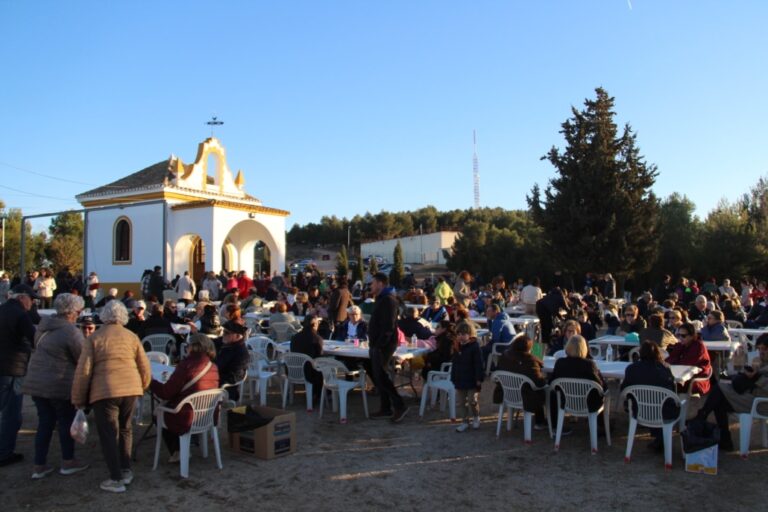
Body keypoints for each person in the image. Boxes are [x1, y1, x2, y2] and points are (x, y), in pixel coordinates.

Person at [71, 300, 151, 493]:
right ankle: (125, 469)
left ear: (104, 316)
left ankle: (115, 478)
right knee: (125, 429)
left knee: (109, 434)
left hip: (105, 390)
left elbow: (84, 371)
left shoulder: (95, 338)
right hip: (130, 389)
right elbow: (144, 366)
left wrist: (78, 399)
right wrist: (142, 386)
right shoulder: (132, 336)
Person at [21, 293, 89, 478]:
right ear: (72, 312)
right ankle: (68, 461)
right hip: (58, 384)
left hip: (37, 382)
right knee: (66, 422)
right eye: (78, 311)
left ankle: (39, 465)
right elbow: (82, 358)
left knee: (45, 423)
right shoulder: (70, 331)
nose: (79, 314)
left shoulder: (43, 328)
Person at [149, 334, 220, 462]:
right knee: (169, 406)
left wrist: (150, 381)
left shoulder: (187, 365)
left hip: (187, 416)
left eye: (187, 346)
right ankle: (183, 446)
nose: (186, 348)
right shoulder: (213, 366)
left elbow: (166, 393)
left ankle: (178, 451)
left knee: (158, 413)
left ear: (194, 347)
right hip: (207, 415)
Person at [694, 334, 768, 451]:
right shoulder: (762, 362)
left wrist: (756, 377)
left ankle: (702, 416)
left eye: (764, 349)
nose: (761, 352)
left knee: (719, 388)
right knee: (719, 402)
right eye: (759, 349)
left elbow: (761, 386)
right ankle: (725, 440)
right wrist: (749, 368)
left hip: (761, 403)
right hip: (752, 397)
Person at [0, 284, 38, 467]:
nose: (32, 304)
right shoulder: (20, 314)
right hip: (13, 368)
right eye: (31, 300)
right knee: (11, 413)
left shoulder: (2, 309)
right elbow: (34, 338)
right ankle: (4, 452)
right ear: (23, 298)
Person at [620, 341, 678, 451]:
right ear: (657, 353)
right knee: (664, 402)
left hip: (639, 410)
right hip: (663, 412)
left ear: (640, 353)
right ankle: (660, 438)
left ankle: (658, 438)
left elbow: (624, 390)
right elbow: (672, 390)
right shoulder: (664, 368)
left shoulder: (631, 369)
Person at [367, 272, 408, 422]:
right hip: (376, 343)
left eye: (372, 283)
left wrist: (379, 345)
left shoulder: (389, 301)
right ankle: (385, 408)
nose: (370, 286)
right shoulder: (382, 299)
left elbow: (389, 327)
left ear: (380, 284)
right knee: (378, 375)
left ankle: (399, 405)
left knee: (382, 377)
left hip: (384, 344)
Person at [549, 335, 606, 435]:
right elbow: (601, 387)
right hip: (588, 404)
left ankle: (555, 425)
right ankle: (602, 425)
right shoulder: (589, 364)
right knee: (601, 394)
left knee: (553, 394)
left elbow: (552, 383)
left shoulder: (560, 363)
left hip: (566, 402)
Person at [496, 334, 548, 430]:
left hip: (506, 393)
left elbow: (497, 374)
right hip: (526, 396)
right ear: (528, 349)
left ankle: (512, 424)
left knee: (532, 387)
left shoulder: (505, 356)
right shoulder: (530, 361)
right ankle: (540, 421)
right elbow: (538, 383)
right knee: (540, 389)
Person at [451, 322, 484, 432]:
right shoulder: (456, 347)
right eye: (459, 334)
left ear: (470, 334)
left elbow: (479, 363)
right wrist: (453, 377)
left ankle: (476, 417)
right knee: (461, 402)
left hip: (472, 379)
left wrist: (479, 379)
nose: (461, 336)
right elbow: (454, 363)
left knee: (472, 400)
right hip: (460, 378)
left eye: (464, 334)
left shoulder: (475, 347)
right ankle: (464, 421)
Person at [666, 322, 712, 395]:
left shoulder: (698, 346)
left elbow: (687, 364)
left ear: (692, 336)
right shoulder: (680, 345)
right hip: (682, 376)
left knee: (669, 385)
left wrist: (674, 361)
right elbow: (670, 360)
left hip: (696, 378)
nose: (680, 338)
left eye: (683, 336)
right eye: (678, 335)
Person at [289, 315, 324, 405]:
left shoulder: (295, 337)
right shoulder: (316, 338)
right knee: (323, 367)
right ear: (315, 325)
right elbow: (319, 357)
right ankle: (319, 394)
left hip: (293, 370)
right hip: (309, 373)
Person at [214, 320, 250, 402]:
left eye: (226, 333)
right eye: (223, 331)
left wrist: (211, 377)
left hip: (225, 388)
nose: (223, 334)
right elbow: (209, 342)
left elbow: (233, 377)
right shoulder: (225, 343)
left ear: (237, 336)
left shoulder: (241, 353)